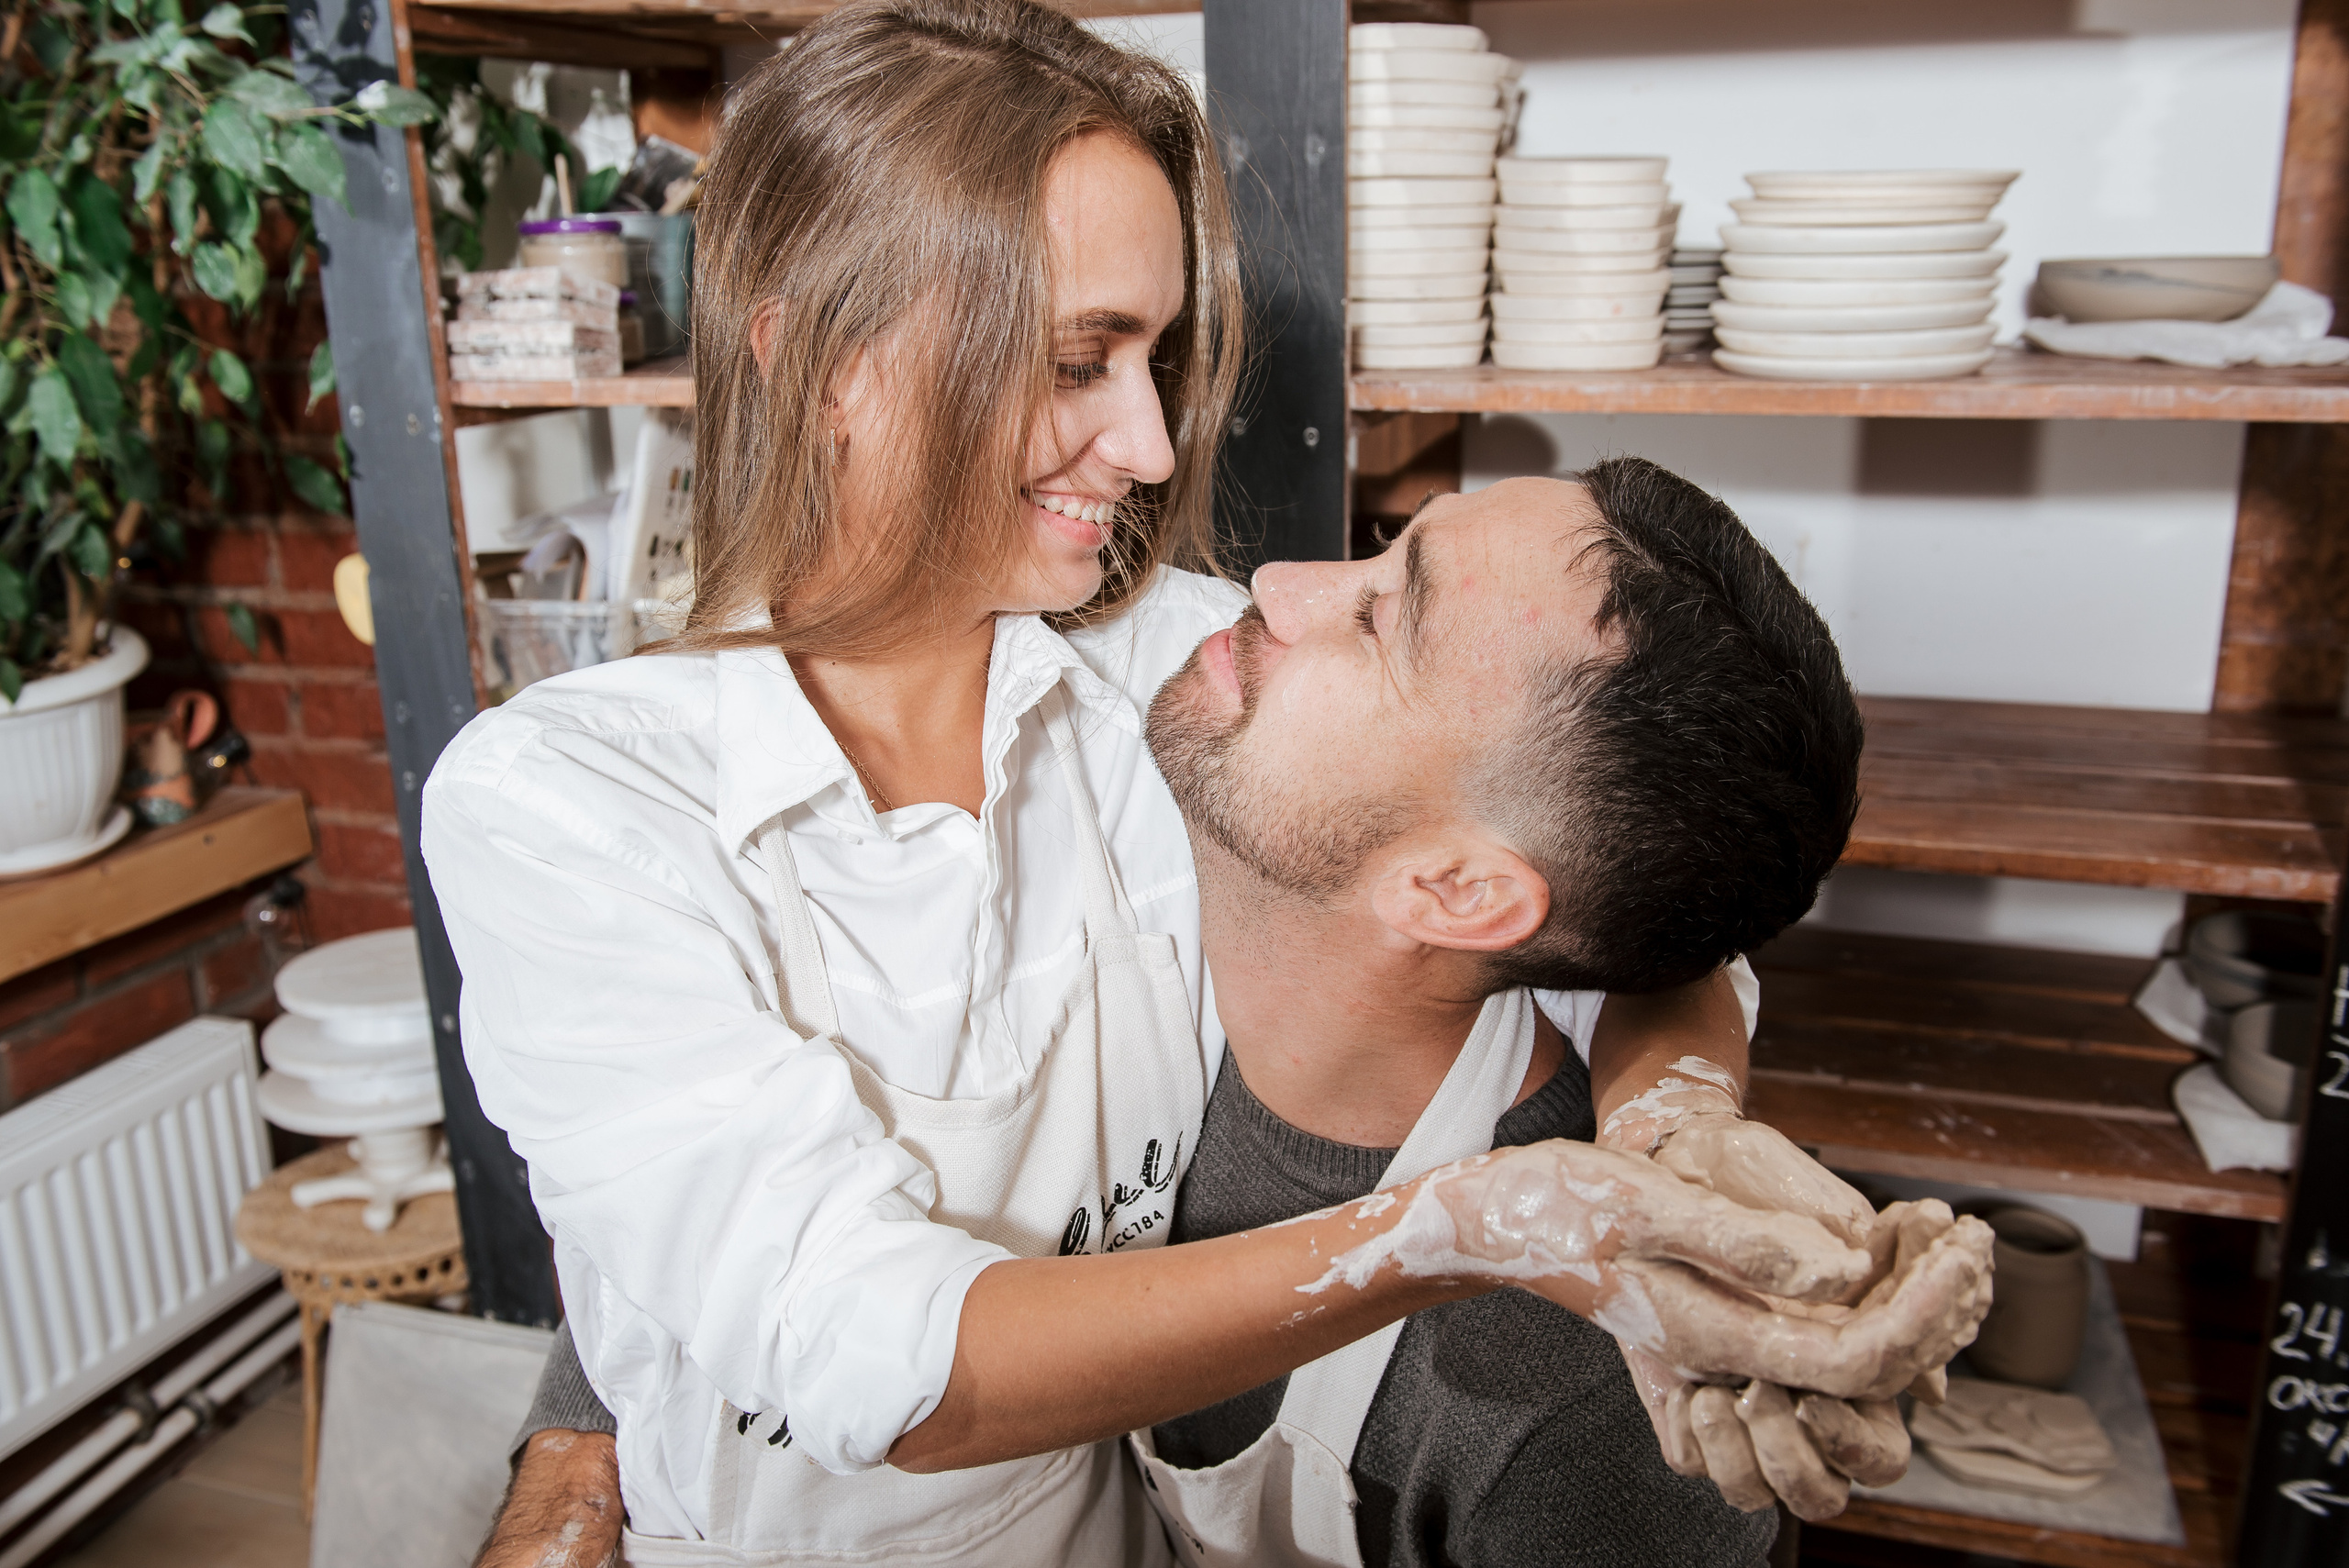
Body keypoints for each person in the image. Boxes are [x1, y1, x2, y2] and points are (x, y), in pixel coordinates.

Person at [471, 462, 1994, 1568]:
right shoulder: (1154, 813)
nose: (1278, 584)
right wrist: (580, 1433)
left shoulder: (1575, 1411)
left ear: (1458, 889)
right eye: (1384, 546)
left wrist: (1554, 1183)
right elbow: (733, 1172)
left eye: (1385, 620)